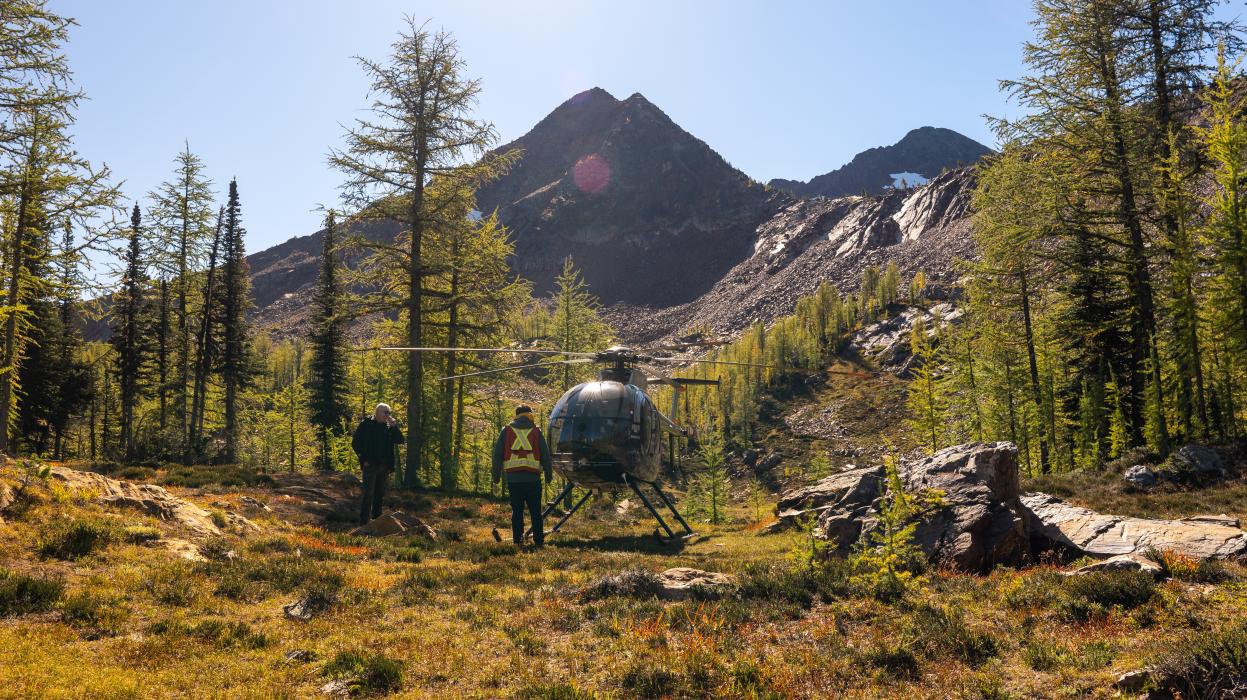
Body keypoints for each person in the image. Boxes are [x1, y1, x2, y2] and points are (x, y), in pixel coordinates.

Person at [492, 404, 553, 547]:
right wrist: (549, 475)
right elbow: (545, 456)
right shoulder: (536, 431)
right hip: (533, 480)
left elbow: (497, 455)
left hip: (514, 481)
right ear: (529, 415)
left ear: (517, 415)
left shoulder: (506, 431)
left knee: (517, 512)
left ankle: (517, 542)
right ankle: (539, 542)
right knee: (536, 513)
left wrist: (496, 476)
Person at [352, 403, 403, 525]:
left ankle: (377, 520)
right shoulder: (367, 424)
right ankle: (364, 522)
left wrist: (394, 426)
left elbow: (400, 440)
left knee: (379, 494)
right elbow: (355, 442)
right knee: (368, 494)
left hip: (384, 466)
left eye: (388, 413)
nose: (387, 415)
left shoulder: (389, 427)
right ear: (377, 412)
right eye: (384, 412)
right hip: (370, 465)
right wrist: (363, 458)